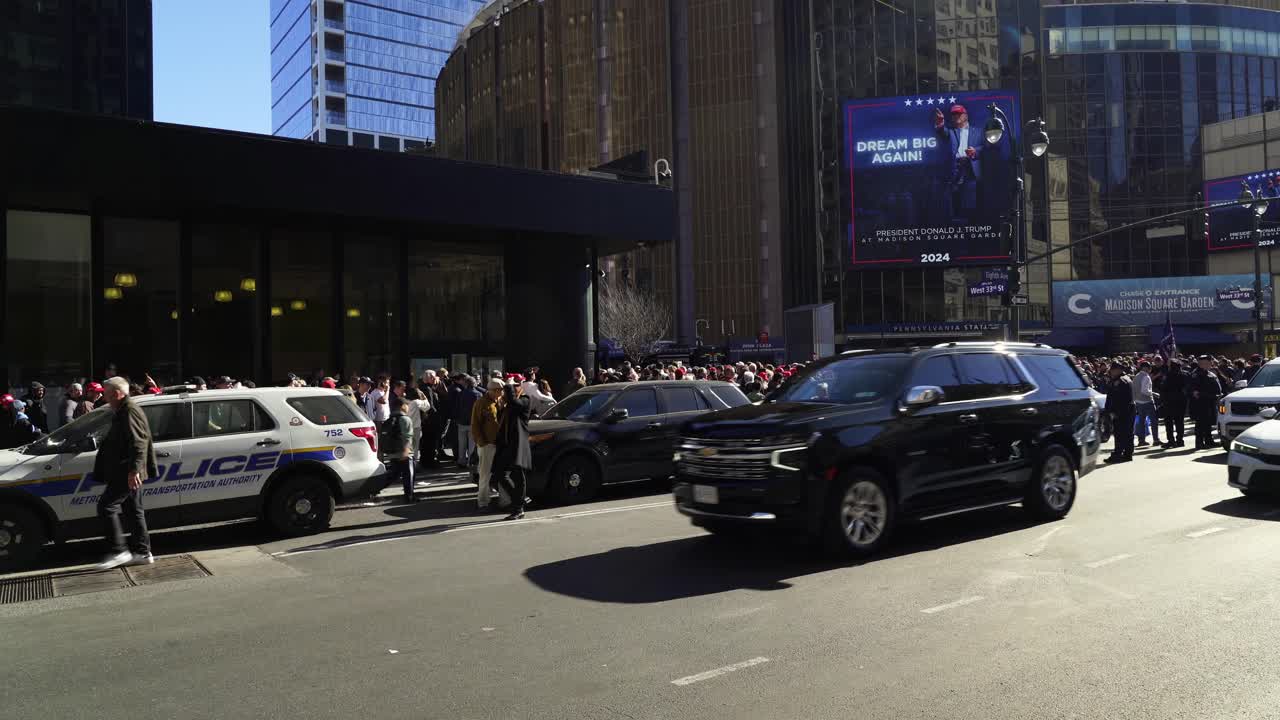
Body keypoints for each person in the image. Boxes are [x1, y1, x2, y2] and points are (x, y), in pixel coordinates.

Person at [93, 376, 157, 570]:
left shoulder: (129, 411)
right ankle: (143, 552)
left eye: (107, 394)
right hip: (126, 469)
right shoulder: (122, 410)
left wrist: (133, 470)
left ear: (118, 394)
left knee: (106, 507)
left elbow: (139, 442)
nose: (104, 397)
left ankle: (119, 550)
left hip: (126, 470)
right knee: (133, 510)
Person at [492, 381, 533, 521]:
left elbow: (515, 404)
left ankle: (518, 508)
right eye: (511, 385)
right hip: (506, 445)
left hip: (517, 445)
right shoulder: (509, 404)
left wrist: (508, 386)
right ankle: (519, 500)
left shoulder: (525, 400)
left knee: (518, 476)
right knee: (498, 474)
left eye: (516, 384)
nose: (512, 387)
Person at [470, 378, 503, 511]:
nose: (501, 393)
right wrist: (481, 442)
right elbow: (475, 424)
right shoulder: (480, 403)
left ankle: (500, 498)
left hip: (498, 443)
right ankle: (482, 501)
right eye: (499, 390)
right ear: (492, 390)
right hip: (487, 444)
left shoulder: (499, 401)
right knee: (484, 474)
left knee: (499, 473)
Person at [384, 396, 416, 503]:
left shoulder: (389, 419)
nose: (408, 407)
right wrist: (406, 451)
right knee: (409, 475)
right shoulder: (405, 419)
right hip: (404, 453)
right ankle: (409, 497)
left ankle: (373, 489)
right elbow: (407, 437)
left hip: (393, 452)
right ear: (402, 406)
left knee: (393, 475)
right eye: (407, 405)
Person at [1190, 355, 1223, 450]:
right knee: (1200, 423)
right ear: (1201, 363)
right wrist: (1202, 394)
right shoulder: (1196, 374)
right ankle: (1199, 442)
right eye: (1207, 363)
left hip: (1210, 401)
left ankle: (1209, 441)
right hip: (1201, 403)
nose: (1209, 364)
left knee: (1208, 423)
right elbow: (1194, 391)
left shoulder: (1208, 373)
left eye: (1209, 362)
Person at [1104, 363, 1134, 464]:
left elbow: (1118, 399)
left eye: (1112, 370)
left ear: (1118, 370)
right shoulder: (1127, 378)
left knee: (1119, 433)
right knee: (1128, 433)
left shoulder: (1120, 381)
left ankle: (1118, 454)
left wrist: (1113, 412)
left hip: (1122, 412)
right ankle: (1128, 454)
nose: (1111, 372)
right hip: (1128, 410)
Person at [1159, 358, 1187, 449]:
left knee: (1169, 422)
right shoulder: (1184, 374)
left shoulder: (1168, 375)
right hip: (1181, 401)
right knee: (1179, 422)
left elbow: (1163, 387)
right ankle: (1180, 440)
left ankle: (1171, 441)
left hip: (1169, 401)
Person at [455, 376, 482, 470]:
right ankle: (471, 461)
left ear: (466, 384)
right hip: (473, 422)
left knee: (461, 443)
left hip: (462, 421)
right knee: (472, 444)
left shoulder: (460, 393)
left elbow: (458, 407)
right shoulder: (478, 394)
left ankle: (461, 461)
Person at [1132, 361, 1160, 448]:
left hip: (1138, 402)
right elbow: (1144, 390)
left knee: (1141, 422)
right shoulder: (1146, 377)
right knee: (1154, 421)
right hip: (1147, 401)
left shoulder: (1136, 376)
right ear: (1146, 368)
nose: (1150, 369)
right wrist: (1154, 394)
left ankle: (1141, 440)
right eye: (1149, 367)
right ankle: (1156, 439)